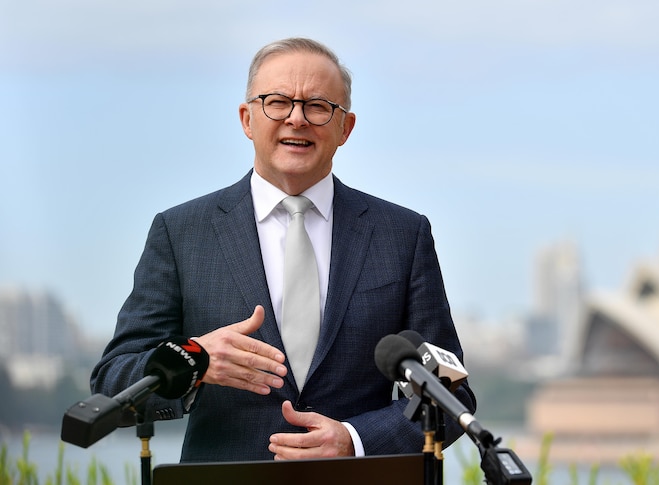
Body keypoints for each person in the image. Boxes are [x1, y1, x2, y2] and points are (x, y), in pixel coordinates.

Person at [91, 37, 476, 462]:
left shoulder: (402, 234)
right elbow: (112, 383)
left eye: (318, 106)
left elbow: (450, 392)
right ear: (247, 119)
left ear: (345, 128)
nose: (297, 119)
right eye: (277, 102)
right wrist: (195, 363)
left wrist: (355, 440)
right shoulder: (181, 231)